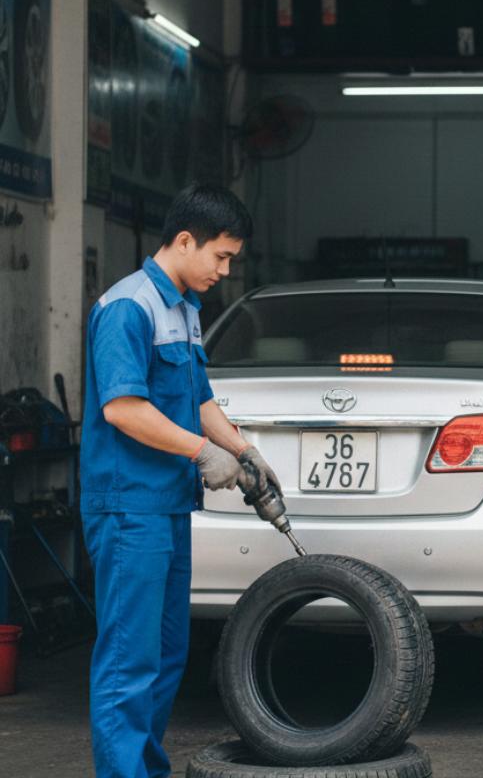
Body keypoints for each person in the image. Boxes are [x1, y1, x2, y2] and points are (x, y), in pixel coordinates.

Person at [81, 184, 281, 778]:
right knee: (129, 660)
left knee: (167, 656)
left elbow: (197, 399)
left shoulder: (185, 308)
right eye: (220, 257)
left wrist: (244, 451)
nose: (225, 270)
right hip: (127, 508)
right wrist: (202, 455)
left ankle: (147, 770)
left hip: (166, 506)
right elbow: (123, 408)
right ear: (185, 240)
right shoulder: (129, 307)